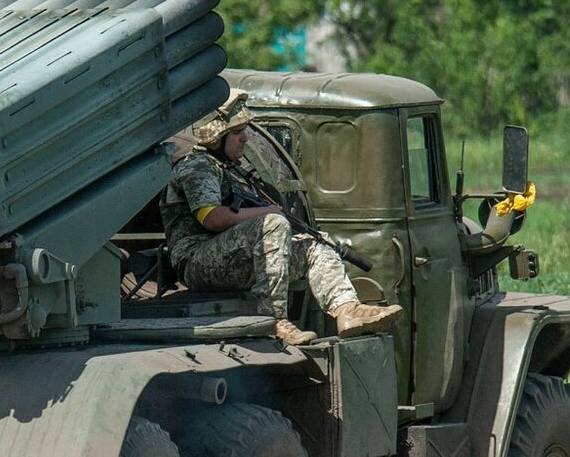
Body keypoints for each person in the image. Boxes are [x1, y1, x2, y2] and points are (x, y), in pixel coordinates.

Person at [161, 92, 402, 346]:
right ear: (216, 138)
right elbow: (211, 218)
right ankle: (273, 320)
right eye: (236, 132)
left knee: (316, 245)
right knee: (273, 224)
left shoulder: (225, 167)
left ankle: (347, 310)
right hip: (196, 262)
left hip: (226, 257)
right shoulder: (197, 166)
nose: (245, 138)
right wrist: (268, 213)